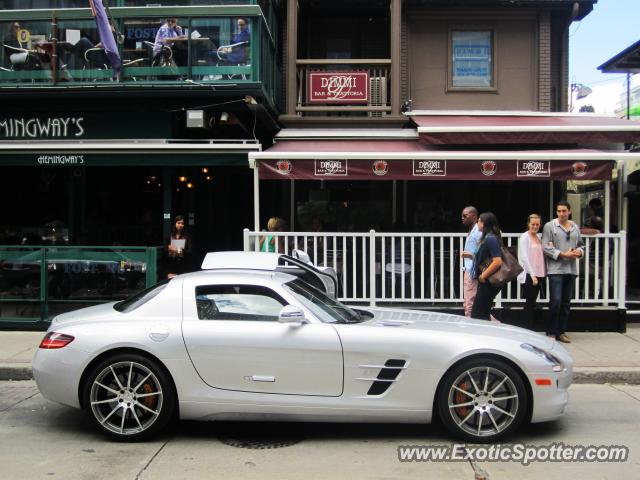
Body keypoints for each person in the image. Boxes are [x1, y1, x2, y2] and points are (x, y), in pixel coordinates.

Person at [542, 201, 584, 343]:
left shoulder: (575, 227)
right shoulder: (550, 226)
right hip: (556, 269)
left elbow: (581, 244)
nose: (561, 214)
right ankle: (551, 331)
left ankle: (561, 331)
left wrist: (579, 252)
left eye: (564, 211)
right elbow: (545, 247)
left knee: (566, 302)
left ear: (569, 211)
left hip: (571, 269)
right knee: (556, 301)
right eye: (559, 211)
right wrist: (562, 254)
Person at [470, 212, 503, 321]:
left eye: (479, 220)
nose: (477, 223)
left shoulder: (490, 239)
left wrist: (483, 275)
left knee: (478, 314)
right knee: (483, 313)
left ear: (484, 224)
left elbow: (497, 261)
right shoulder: (489, 238)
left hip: (489, 282)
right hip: (488, 283)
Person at [517, 214, 546, 329]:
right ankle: (525, 327)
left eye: (537, 224)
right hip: (529, 274)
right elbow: (524, 257)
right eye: (533, 224)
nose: (535, 226)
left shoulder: (539, 238)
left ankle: (528, 327)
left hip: (539, 273)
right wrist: (532, 275)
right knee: (529, 303)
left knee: (532, 302)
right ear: (528, 224)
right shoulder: (525, 237)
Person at [460, 206, 481, 317]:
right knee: (472, 303)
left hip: (473, 271)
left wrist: (469, 254)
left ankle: (470, 329)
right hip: (470, 269)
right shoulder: (473, 230)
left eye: (465, 216)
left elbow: (482, 251)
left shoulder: (478, 231)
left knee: (469, 304)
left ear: (473, 216)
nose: (462, 218)